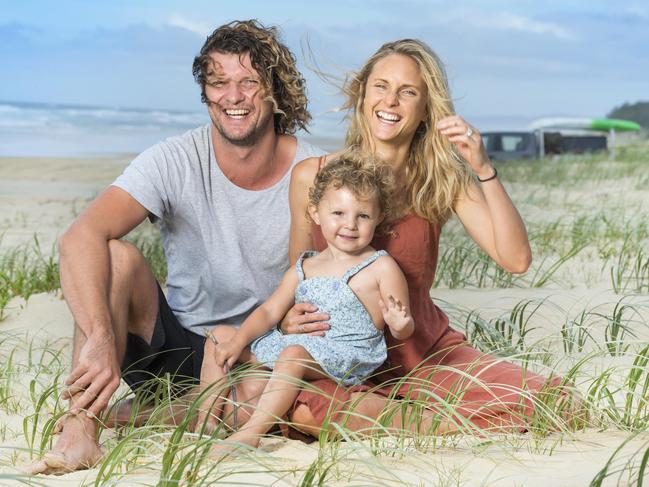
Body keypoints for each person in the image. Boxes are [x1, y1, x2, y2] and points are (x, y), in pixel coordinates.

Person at [26, 20, 325, 475]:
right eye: (218, 82)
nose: (233, 96)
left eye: (249, 81)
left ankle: (132, 414)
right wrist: (103, 338)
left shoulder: (311, 169)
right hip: (172, 347)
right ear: (205, 92)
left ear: (274, 91)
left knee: (258, 404)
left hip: (256, 353)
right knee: (113, 255)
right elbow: (79, 236)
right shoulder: (174, 158)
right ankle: (81, 427)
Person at [283, 39, 576, 438]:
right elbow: (296, 276)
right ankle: (433, 425)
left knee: (559, 402)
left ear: (425, 110)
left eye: (408, 92)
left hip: (425, 355)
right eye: (381, 86)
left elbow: (516, 259)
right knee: (301, 406)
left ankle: (410, 423)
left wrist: (483, 168)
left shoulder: (442, 180)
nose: (391, 101)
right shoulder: (312, 176)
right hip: (340, 358)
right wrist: (288, 318)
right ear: (362, 93)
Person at [196, 151, 414, 452]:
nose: (350, 225)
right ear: (315, 213)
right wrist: (238, 342)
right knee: (219, 336)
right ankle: (204, 422)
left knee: (293, 353)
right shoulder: (305, 265)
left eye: (362, 216)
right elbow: (270, 310)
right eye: (338, 213)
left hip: (345, 356)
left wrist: (401, 325)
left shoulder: (380, 266)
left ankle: (251, 433)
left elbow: (403, 328)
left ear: (377, 219)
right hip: (299, 348)